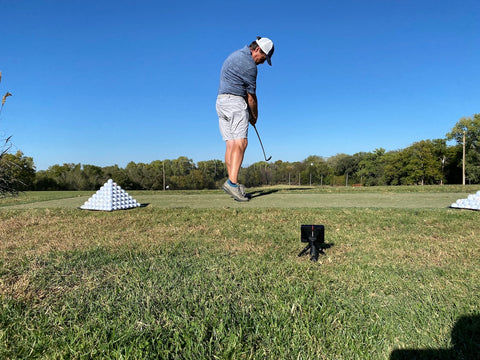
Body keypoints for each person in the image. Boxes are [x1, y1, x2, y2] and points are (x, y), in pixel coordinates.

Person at [216, 36, 274, 201]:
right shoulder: (250, 65)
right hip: (235, 103)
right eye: (264, 58)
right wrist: (254, 116)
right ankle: (232, 183)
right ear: (257, 50)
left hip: (221, 102)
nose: (262, 62)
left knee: (231, 144)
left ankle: (233, 184)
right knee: (241, 143)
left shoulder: (235, 55)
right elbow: (251, 98)